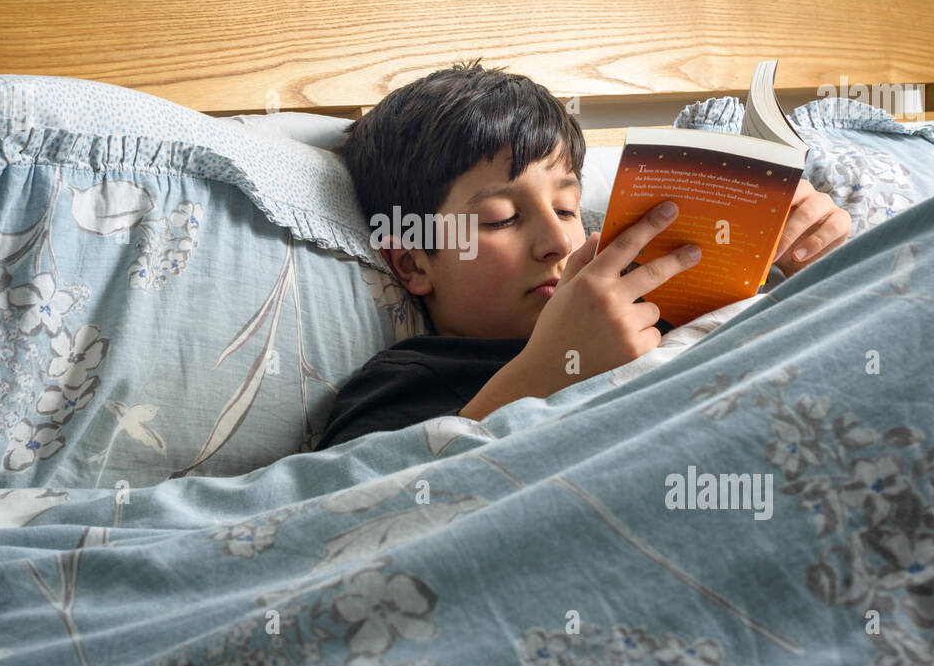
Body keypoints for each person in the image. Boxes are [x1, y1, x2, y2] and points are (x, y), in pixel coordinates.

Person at [312, 59, 851, 451]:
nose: (559, 242)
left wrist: (821, 266)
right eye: (502, 218)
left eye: (568, 209)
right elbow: (350, 507)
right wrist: (542, 374)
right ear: (412, 263)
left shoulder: (658, 314)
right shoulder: (408, 379)